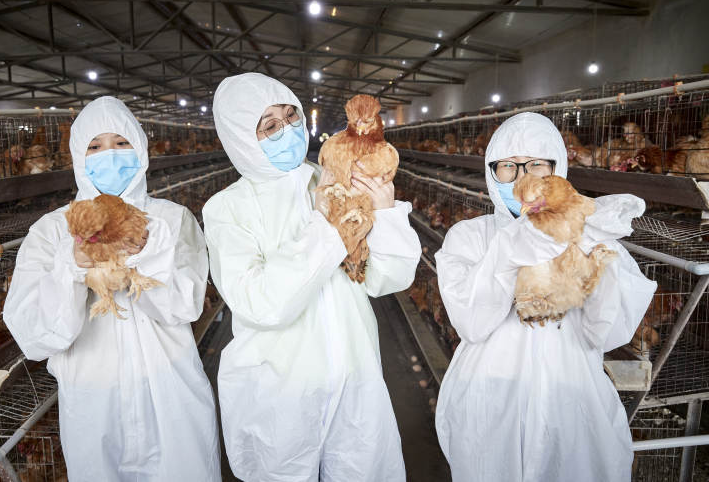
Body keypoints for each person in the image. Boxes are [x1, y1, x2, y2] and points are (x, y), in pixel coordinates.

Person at [203, 72, 421, 481]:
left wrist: (387, 214)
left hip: (355, 378)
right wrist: (326, 228)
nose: (288, 129)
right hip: (278, 394)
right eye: (269, 125)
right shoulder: (226, 209)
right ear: (240, 138)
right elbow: (261, 303)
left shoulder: (335, 178)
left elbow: (388, 279)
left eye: (291, 116)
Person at [3, 96, 221, 481]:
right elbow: (35, 337)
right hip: (93, 400)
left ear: (141, 150)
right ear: (78, 156)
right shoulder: (52, 231)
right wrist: (71, 267)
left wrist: (144, 256)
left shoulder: (171, 219)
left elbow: (185, 306)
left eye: (122, 143)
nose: (111, 155)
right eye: (95, 146)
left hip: (170, 389)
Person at [433, 112, 657, 481]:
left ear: (557, 168)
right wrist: (510, 249)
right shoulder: (471, 236)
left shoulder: (585, 232)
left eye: (536, 165)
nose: (523, 177)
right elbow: (472, 323)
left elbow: (607, 334)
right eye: (508, 166)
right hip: (491, 391)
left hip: (570, 390)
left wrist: (597, 258)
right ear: (492, 172)